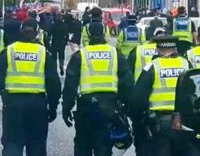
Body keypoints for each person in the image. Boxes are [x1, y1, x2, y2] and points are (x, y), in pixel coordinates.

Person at [0, 18, 61, 156]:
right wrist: (53, 106)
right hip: (37, 105)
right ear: (36, 33)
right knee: (36, 146)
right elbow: (53, 82)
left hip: (13, 104)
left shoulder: (10, 50)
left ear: (21, 32)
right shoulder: (43, 52)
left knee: (12, 143)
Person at [62, 22, 133, 156]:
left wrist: (66, 108)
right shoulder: (115, 53)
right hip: (109, 106)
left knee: (83, 145)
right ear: (104, 33)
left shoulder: (80, 55)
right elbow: (127, 83)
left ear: (88, 35)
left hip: (86, 107)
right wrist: (126, 106)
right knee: (104, 147)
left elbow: (70, 86)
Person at [131, 35, 196, 156]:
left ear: (158, 49)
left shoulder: (152, 66)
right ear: (175, 49)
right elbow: (194, 90)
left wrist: (138, 119)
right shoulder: (186, 64)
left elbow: (137, 98)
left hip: (161, 123)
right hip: (184, 122)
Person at [126, 27, 166, 155]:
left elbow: (127, 77)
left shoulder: (137, 51)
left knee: (144, 144)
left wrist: (130, 110)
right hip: (174, 115)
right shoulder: (182, 61)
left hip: (144, 105)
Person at [49, 11, 69, 76]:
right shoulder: (64, 25)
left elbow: (49, 34)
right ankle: (61, 67)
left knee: (54, 57)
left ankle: (54, 69)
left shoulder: (53, 25)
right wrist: (65, 42)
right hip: (62, 43)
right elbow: (67, 35)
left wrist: (49, 41)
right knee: (61, 57)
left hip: (54, 42)